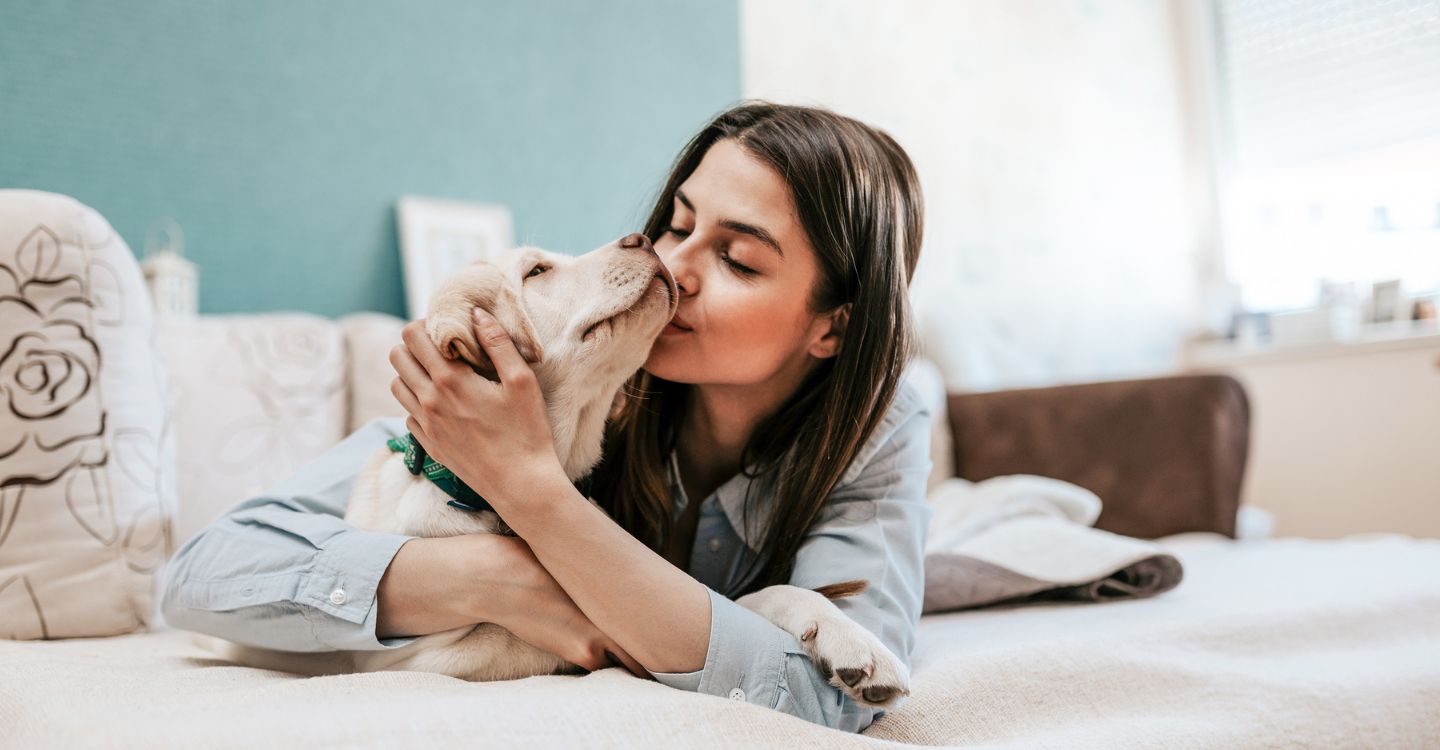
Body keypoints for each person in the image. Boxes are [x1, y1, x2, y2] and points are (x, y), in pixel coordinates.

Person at [160, 100, 933, 734]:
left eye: (737, 259)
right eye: (678, 223)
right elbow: (203, 575)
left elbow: (830, 700)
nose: (677, 265)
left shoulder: (879, 427)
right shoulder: (567, 379)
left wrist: (534, 492)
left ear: (833, 325)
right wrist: (495, 577)